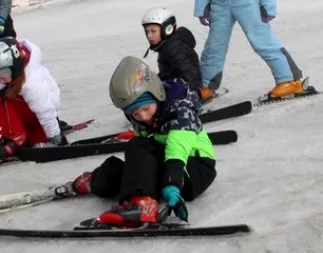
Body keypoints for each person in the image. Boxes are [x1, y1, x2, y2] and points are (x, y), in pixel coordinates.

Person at [55, 56, 216, 228]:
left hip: (193, 170)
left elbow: (177, 150)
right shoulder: (145, 119)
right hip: (169, 168)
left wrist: (172, 184)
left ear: (157, 94)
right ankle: (92, 181)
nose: (143, 117)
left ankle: (142, 204)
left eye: (146, 108)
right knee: (116, 170)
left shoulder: (180, 112)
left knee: (139, 145)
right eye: (135, 114)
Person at [0, 37, 66, 163]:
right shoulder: (2, 77)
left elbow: (44, 109)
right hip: (30, 114)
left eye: (3, 71)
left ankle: (15, 140)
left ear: (15, 66)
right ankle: (16, 137)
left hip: (41, 117)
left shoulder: (31, 80)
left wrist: (55, 137)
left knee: (4, 98)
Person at [141, 7, 203, 94]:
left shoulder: (174, 48)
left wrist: (193, 95)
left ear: (167, 29)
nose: (149, 36)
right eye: (147, 32)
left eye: (153, 31)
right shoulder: (165, 45)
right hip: (176, 84)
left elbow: (188, 72)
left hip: (186, 90)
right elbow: (168, 72)